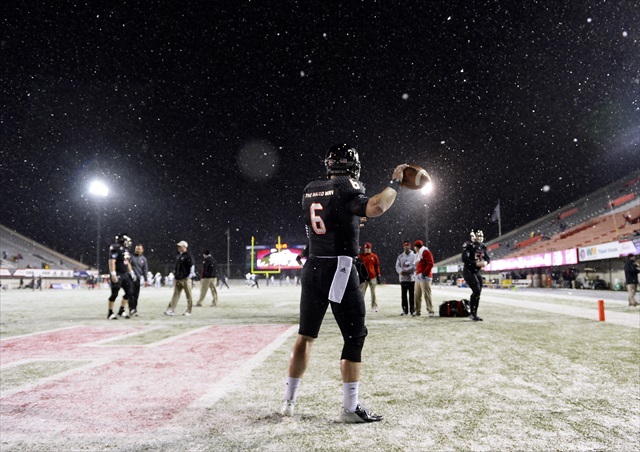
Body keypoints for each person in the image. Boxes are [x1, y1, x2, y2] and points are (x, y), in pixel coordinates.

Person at [279, 143, 407, 423]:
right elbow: (378, 206)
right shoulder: (348, 186)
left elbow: (327, 216)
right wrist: (395, 182)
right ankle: (350, 408)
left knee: (306, 335)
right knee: (354, 336)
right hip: (339, 267)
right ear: (352, 165)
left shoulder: (311, 188)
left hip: (313, 266)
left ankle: (287, 403)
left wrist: (349, 220)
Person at [462, 230, 490, 321]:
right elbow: (464, 259)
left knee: (478, 292)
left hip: (476, 271)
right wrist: (475, 264)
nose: (479, 237)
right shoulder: (469, 245)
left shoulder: (482, 246)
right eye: (478, 235)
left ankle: (473, 313)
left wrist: (486, 262)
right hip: (468, 270)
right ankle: (472, 313)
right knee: (476, 290)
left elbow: (487, 258)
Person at [107, 233, 135, 320]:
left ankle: (121, 311)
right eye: (126, 240)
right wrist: (113, 273)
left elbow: (127, 262)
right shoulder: (115, 248)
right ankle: (110, 313)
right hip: (118, 273)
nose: (128, 242)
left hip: (125, 274)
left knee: (129, 292)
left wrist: (131, 272)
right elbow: (112, 261)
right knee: (114, 294)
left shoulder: (126, 249)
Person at [164, 241, 195, 316]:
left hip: (185, 279)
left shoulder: (188, 256)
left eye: (180, 246)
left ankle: (189, 311)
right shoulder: (179, 256)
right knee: (175, 295)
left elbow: (192, 266)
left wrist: (189, 276)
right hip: (178, 278)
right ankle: (171, 310)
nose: (178, 248)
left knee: (188, 295)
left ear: (185, 247)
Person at [413, 240, 435, 317]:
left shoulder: (425, 252)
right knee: (417, 295)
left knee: (427, 294)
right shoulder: (419, 253)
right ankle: (417, 311)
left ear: (416, 247)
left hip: (425, 277)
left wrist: (424, 273)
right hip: (418, 276)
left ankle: (430, 310)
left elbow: (431, 263)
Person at [358, 242, 381, 312]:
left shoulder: (374, 256)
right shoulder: (361, 256)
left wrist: (378, 275)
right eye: (366, 248)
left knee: (373, 293)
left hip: (372, 276)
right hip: (364, 277)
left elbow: (377, 266)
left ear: (370, 248)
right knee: (362, 293)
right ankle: (360, 306)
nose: (367, 250)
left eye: (368, 248)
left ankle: (374, 306)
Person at [395, 241, 416, 316]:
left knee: (412, 295)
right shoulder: (400, 256)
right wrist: (400, 271)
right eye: (405, 246)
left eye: (407, 246)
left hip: (411, 279)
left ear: (410, 246)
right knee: (403, 296)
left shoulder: (414, 256)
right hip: (403, 279)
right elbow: (397, 266)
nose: (406, 247)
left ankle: (413, 310)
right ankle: (405, 310)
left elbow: (415, 266)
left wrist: (406, 270)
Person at [129, 243, 149, 316]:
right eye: (136, 248)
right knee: (130, 294)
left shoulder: (143, 259)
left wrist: (146, 280)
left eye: (139, 249)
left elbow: (145, 270)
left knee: (136, 295)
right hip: (130, 279)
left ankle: (134, 309)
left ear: (142, 250)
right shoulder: (131, 257)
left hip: (138, 279)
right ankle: (131, 309)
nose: (137, 250)